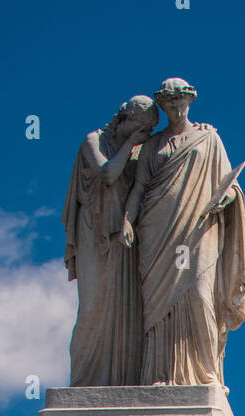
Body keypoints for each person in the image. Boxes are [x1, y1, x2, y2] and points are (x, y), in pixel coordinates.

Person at [123, 77, 245, 386]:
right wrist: (128, 220)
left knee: (198, 294)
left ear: (189, 102)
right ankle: (160, 374)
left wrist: (227, 197)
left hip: (199, 227)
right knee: (158, 304)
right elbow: (140, 187)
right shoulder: (152, 145)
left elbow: (230, 184)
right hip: (156, 228)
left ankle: (206, 375)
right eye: (169, 103)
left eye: (180, 102)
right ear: (163, 105)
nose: (175, 108)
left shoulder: (208, 139)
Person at [63, 96, 159, 385]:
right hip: (94, 229)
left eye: (150, 131)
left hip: (125, 235)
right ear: (127, 119)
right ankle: (84, 382)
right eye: (142, 128)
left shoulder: (141, 150)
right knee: (93, 305)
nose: (146, 136)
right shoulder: (93, 140)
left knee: (126, 309)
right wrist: (131, 145)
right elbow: (107, 174)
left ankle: (122, 380)